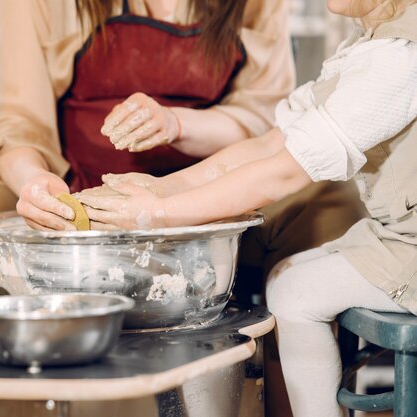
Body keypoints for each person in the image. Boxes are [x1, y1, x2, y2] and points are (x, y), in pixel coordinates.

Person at [76, 1, 417, 416]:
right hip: (397, 233)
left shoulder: (399, 55)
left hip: (412, 245)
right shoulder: (367, 45)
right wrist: (165, 188)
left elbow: (286, 173)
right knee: (287, 284)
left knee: (297, 292)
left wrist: (162, 216)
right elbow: (271, 143)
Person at [0, 0, 298, 273]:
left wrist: (177, 125)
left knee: (327, 205)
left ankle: (279, 388)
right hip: (75, 188)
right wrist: (35, 184)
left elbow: (264, 120)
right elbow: (14, 121)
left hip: (217, 191)